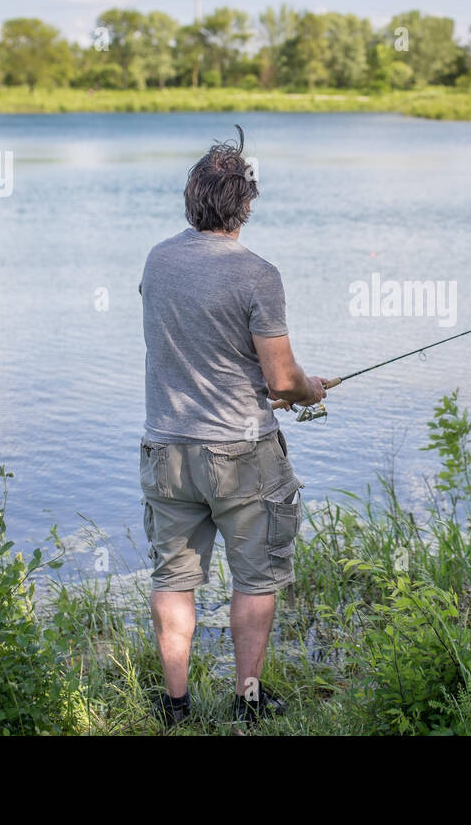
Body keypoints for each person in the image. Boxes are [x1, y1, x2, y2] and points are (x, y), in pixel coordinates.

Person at [138, 125, 327, 729]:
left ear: (192, 198)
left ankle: (176, 707)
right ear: (245, 203)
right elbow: (280, 381)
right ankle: (247, 701)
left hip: (166, 448)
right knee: (255, 575)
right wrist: (312, 389)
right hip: (241, 451)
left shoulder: (158, 260)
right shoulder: (256, 274)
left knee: (174, 578)